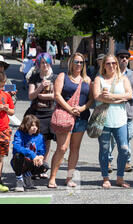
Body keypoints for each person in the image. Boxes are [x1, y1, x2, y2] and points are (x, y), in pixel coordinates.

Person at [47, 53, 93, 189]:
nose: (79, 65)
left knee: (75, 149)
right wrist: (70, 109)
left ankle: (69, 178)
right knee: (62, 148)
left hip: (81, 117)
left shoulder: (87, 80)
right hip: (65, 117)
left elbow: (91, 99)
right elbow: (57, 95)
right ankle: (52, 177)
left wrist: (82, 108)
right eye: (76, 62)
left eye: (81, 62)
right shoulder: (63, 76)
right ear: (71, 63)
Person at [93, 54, 132, 189]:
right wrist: (119, 99)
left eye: (113, 63)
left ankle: (120, 178)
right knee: (104, 150)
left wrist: (112, 97)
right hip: (104, 120)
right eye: (108, 63)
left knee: (124, 149)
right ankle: (105, 177)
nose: (111, 66)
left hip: (120, 120)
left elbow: (130, 95)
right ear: (103, 65)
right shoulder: (99, 79)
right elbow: (97, 97)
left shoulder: (123, 78)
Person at [108, 50, 133, 173]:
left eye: (127, 57)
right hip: (113, 112)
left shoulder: (132, 75)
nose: (125, 59)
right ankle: (108, 161)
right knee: (111, 139)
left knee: (127, 139)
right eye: (122, 57)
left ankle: (127, 161)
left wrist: (127, 97)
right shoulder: (111, 74)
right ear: (117, 59)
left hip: (128, 113)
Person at [27, 52, 57, 179]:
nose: (44, 65)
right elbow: (31, 95)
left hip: (49, 113)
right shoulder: (34, 76)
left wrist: (44, 96)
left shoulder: (54, 77)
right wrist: (39, 89)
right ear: (38, 64)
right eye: (42, 63)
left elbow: (57, 95)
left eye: (46, 62)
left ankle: (43, 166)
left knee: (47, 141)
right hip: (36, 112)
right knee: (34, 140)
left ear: (50, 63)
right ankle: (34, 166)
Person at [11, 114, 49, 192]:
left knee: (45, 167)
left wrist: (41, 156)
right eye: (32, 126)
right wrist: (32, 154)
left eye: (36, 125)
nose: (35, 127)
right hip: (21, 161)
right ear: (26, 125)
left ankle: (27, 175)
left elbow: (42, 150)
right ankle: (19, 180)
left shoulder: (39, 136)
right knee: (18, 156)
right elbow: (16, 147)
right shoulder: (19, 133)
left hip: (32, 161)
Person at [0, 71, 15, 192]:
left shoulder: (6, 95)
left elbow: (12, 111)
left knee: (1, 157)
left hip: (4, 129)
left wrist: (6, 108)